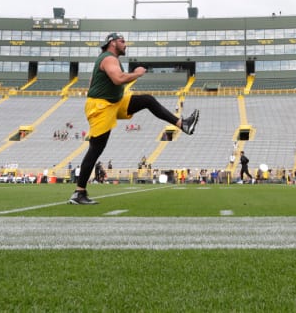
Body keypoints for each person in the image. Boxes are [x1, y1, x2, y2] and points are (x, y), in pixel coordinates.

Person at [69, 32, 200, 205]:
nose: (125, 44)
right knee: (96, 148)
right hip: (102, 106)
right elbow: (118, 79)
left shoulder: (108, 59)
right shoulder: (109, 58)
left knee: (147, 100)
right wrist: (136, 73)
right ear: (112, 43)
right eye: (122, 41)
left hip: (113, 101)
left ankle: (182, 124)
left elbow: (93, 82)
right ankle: (79, 192)